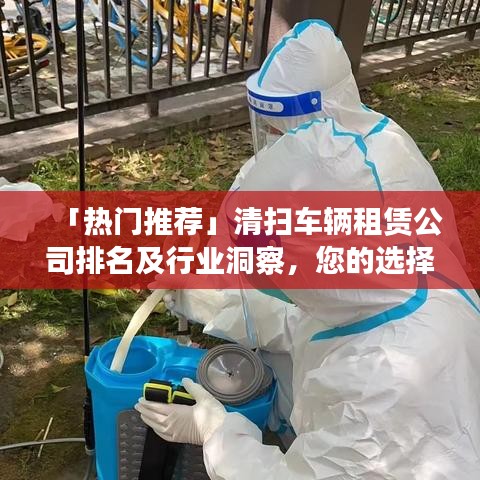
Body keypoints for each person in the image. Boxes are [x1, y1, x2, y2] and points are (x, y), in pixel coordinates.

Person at [135, 20, 480, 479]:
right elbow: (305, 317)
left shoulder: (383, 383)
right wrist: (197, 294)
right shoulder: (376, 265)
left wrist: (218, 435)